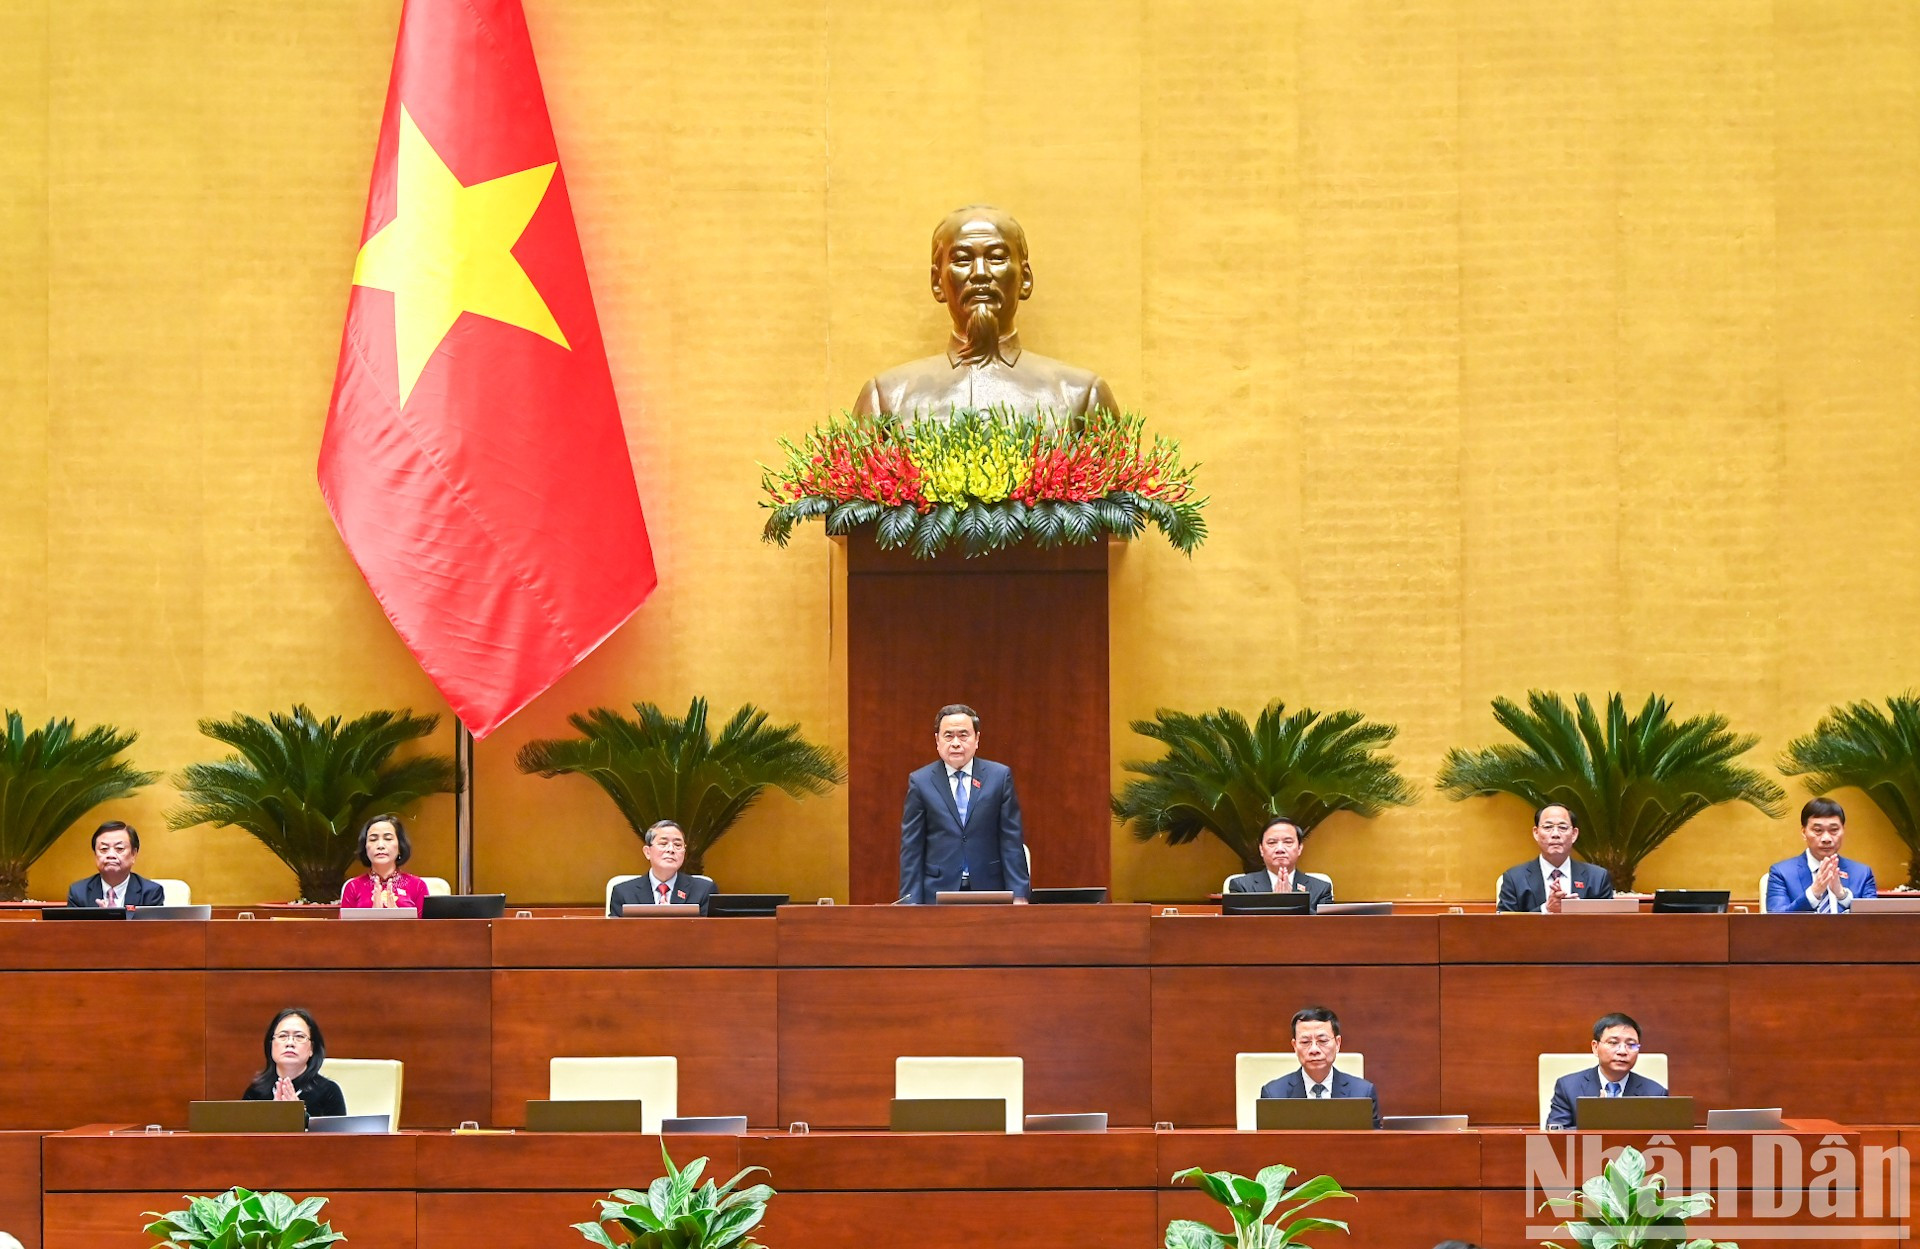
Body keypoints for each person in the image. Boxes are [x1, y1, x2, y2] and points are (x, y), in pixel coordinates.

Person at [852, 206, 1120, 423]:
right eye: (962, 259)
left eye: (996, 257)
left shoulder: (1081, 396)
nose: (980, 273)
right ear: (937, 282)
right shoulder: (887, 398)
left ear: (1025, 279)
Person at [899, 704, 1030, 905]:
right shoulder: (920, 781)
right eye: (948, 736)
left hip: (990, 889)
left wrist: (1019, 894)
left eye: (963, 735)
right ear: (937, 740)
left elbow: (1010, 840)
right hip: (937, 891)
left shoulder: (999, 777)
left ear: (977, 739)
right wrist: (909, 901)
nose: (956, 743)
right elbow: (912, 847)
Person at [1258, 1006, 1380, 1128]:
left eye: (1322, 1041)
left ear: (1337, 1043)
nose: (1314, 1050)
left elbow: (1372, 1144)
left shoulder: (1362, 1093)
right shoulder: (1274, 1095)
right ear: (1295, 1046)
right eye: (1305, 1042)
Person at [1544, 1012, 1666, 1129]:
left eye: (1631, 1044)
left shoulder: (1655, 1094)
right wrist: (1595, 1124)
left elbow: (1662, 1141)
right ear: (1595, 1047)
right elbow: (1555, 1135)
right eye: (1613, 1043)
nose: (1622, 1051)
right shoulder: (1568, 1087)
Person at [1765, 796, 1878, 914]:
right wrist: (1813, 894)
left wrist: (1842, 896)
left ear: (1843, 830)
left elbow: (1874, 922)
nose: (1826, 838)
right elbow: (1776, 921)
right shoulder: (1781, 873)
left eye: (1834, 830)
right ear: (1804, 832)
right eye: (1818, 830)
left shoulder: (1862, 874)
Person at [1496, 804, 1614, 912]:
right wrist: (1546, 909)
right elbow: (1504, 927)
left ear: (1574, 834)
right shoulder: (1514, 879)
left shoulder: (1598, 878)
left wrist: (1578, 912)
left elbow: (1608, 926)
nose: (1555, 834)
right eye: (1548, 827)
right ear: (1536, 833)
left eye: (1563, 827)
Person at [241, 1007, 346, 1119]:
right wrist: (270, 1117)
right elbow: (241, 1134)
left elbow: (337, 1136)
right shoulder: (255, 1092)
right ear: (270, 1045)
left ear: (312, 1048)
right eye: (282, 1036)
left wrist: (300, 1116)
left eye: (299, 1036)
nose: (290, 1043)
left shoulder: (329, 1092)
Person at [608, 820, 716, 914]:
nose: (671, 849)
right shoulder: (623, 892)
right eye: (663, 843)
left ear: (684, 852)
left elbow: (712, 933)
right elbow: (616, 934)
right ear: (647, 852)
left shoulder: (704, 890)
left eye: (677, 845)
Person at [1226, 817, 1334, 912]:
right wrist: (1277, 903)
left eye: (1288, 842)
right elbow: (1239, 926)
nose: (1280, 849)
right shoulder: (1241, 886)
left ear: (1300, 848)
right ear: (1261, 849)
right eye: (1272, 843)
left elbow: (1325, 926)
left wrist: (1292, 903)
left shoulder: (1321, 888)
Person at [338, 813, 430, 910]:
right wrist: (373, 918)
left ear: (400, 846)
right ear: (365, 848)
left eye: (388, 838)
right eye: (373, 839)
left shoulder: (417, 886)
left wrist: (398, 919)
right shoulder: (353, 887)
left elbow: (429, 925)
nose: (380, 845)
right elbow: (344, 925)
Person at [66, 821, 167, 908]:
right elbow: (75, 930)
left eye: (119, 848)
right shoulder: (78, 893)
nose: (111, 855)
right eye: (104, 849)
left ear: (133, 854)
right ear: (95, 854)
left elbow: (152, 930)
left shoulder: (150, 893)